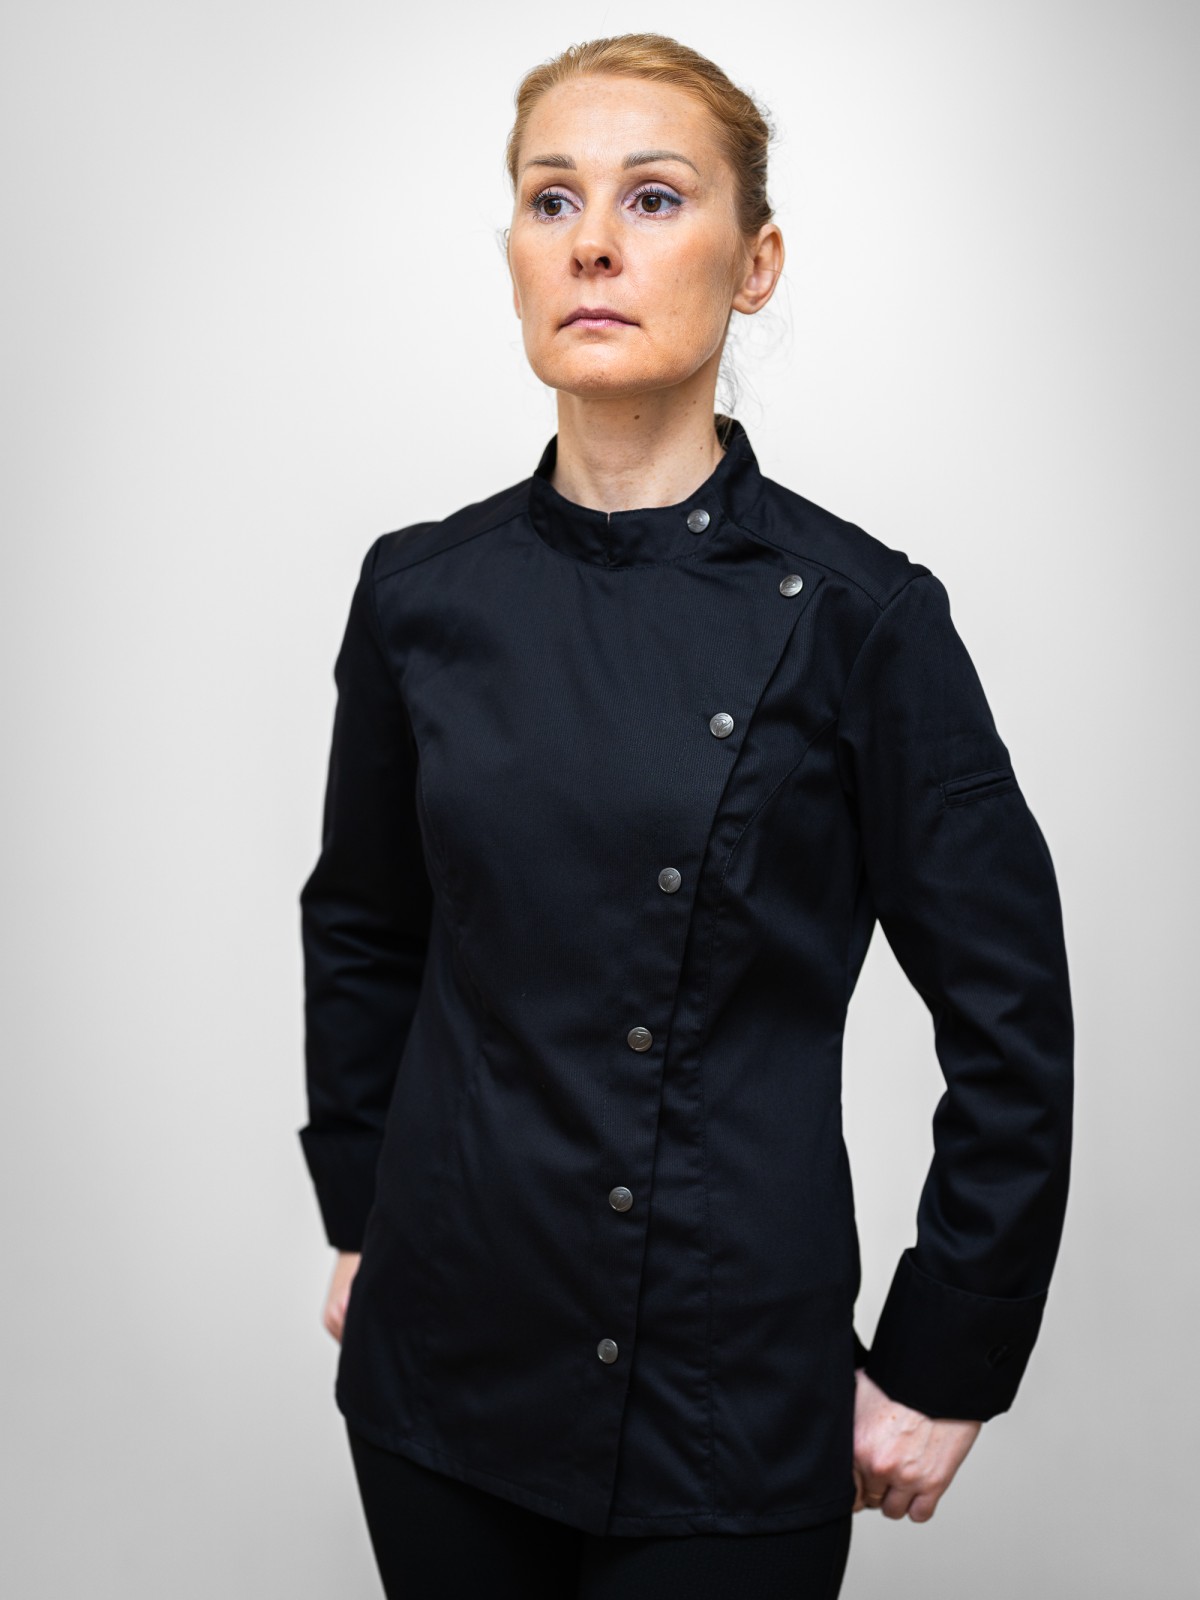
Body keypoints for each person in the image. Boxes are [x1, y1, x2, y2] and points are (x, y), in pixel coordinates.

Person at [296, 31, 1074, 1600]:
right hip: (437, 1368)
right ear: (516, 254)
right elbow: (367, 926)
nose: (593, 240)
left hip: (730, 1391)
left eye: (653, 197)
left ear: (756, 262)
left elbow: (1010, 1022)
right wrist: (364, 1216)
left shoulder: (863, 618)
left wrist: (947, 1356)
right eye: (552, 199)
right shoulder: (418, 592)